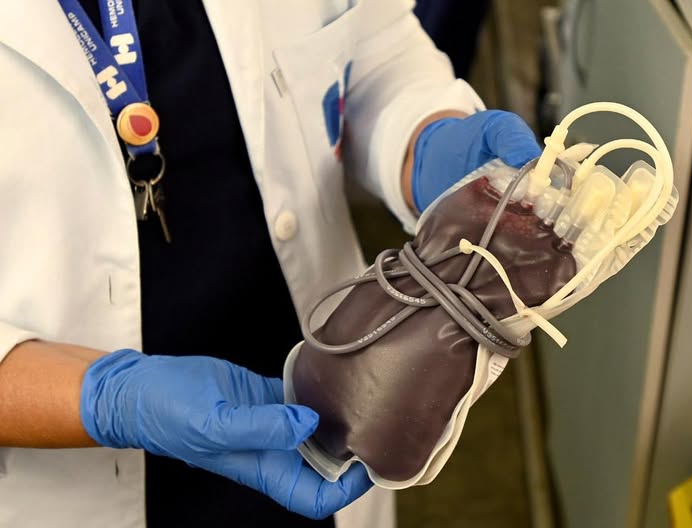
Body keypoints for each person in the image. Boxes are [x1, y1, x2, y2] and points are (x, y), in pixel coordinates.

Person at [0, 1, 541, 527]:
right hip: (64, 454)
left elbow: (370, 46)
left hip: (320, 400)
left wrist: (422, 139)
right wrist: (108, 399)